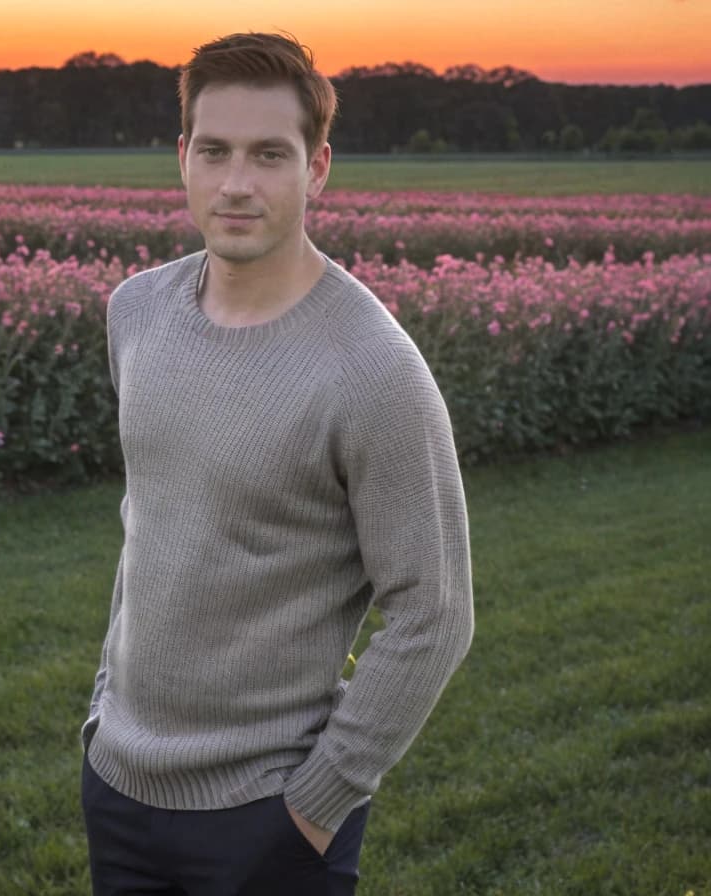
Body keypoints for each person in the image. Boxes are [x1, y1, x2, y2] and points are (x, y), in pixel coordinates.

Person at [80, 31, 475, 896]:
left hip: (269, 816)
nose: (236, 183)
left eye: (270, 155)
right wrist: (106, 709)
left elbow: (434, 611)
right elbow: (155, 519)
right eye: (214, 151)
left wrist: (319, 803)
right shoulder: (136, 312)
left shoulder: (373, 368)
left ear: (318, 167)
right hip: (116, 785)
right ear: (182, 157)